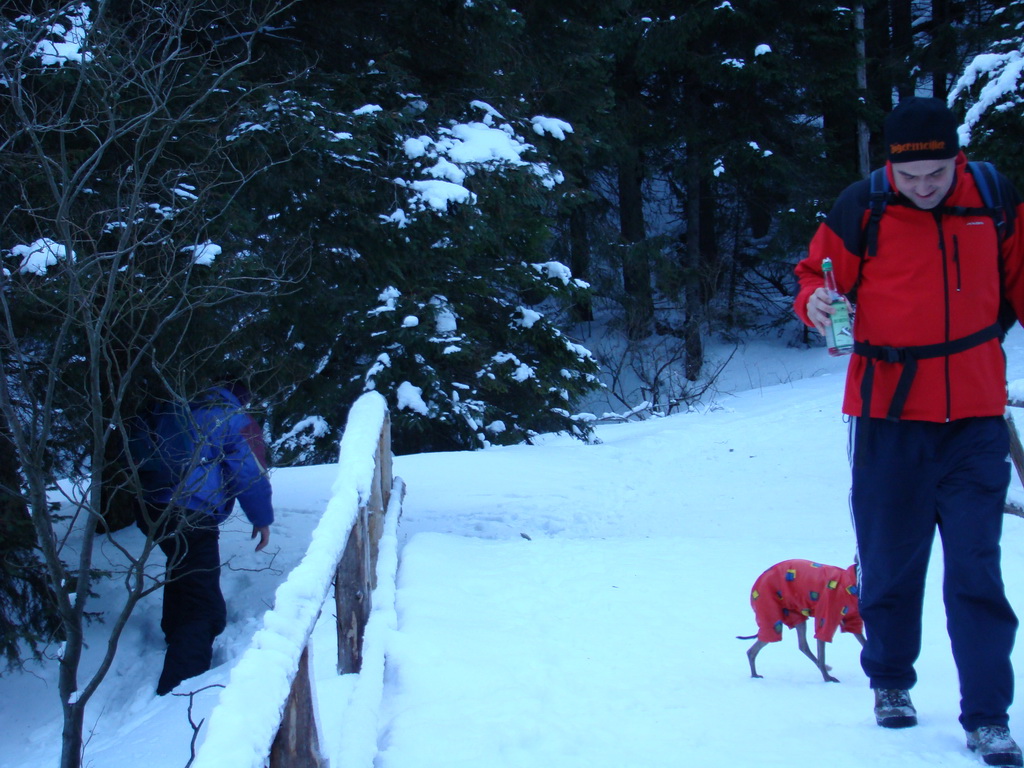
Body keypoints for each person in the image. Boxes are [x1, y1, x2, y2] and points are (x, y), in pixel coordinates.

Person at [794, 96, 1024, 767]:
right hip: (888, 417)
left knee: (977, 570)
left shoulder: (996, 202)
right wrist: (815, 301)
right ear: (891, 167)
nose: (924, 190)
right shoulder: (862, 206)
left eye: (937, 175)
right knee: (891, 564)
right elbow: (815, 274)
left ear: (957, 157)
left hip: (975, 418)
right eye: (910, 179)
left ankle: (989, 717)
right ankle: (891, 682)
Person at [134, 381, 274, 696]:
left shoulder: (179, 406)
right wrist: (261, 518)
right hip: (191, 514)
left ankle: (176, 634)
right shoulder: (229, 416)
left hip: (152, 508)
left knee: (182, 567)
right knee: (204, 605)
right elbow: (248, 472)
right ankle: (181, 687)